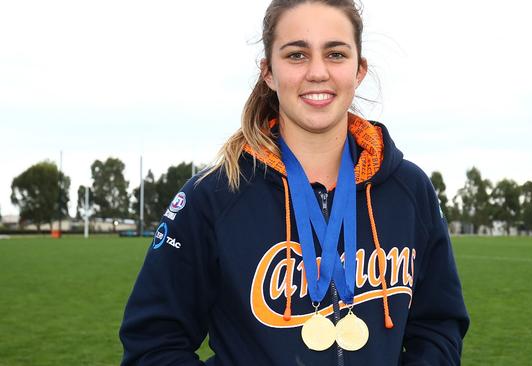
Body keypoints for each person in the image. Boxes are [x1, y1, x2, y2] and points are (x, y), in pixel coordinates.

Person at [119, 1, 469, 365]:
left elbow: (438, 326)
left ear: (359, 69)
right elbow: (153, 344)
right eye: (297, 55)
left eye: (335, 53)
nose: (318, 72)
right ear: (268, 72)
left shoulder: (409, 190)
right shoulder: (214, 195)